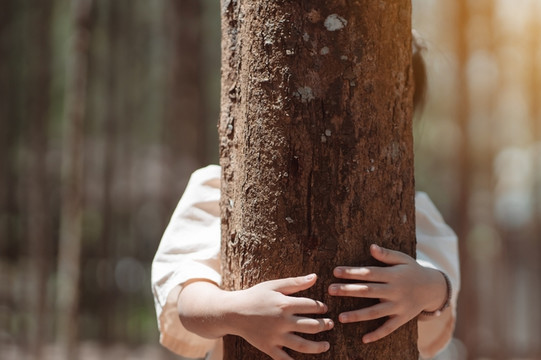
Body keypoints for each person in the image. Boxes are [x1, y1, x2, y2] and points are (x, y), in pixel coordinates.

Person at [151, 34, 459, 360]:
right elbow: (184, 299)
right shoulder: (220, 192)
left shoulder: (412, 211)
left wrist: (427, 289)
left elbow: (441, 313)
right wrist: (235, 311)